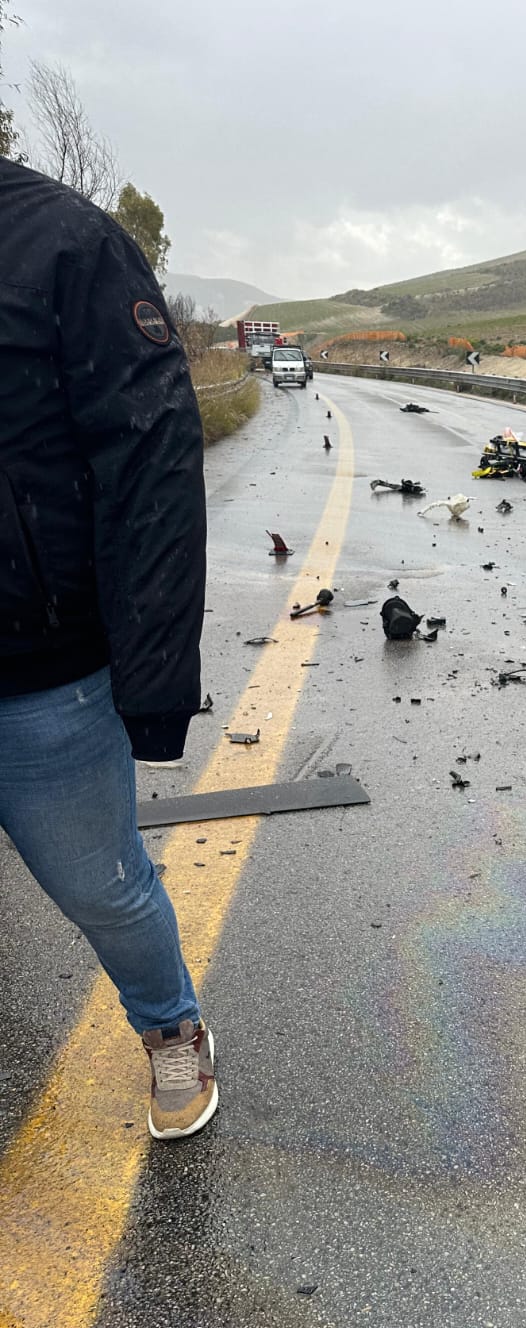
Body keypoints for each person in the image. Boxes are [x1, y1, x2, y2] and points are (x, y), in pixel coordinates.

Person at [0, 156, 215, 1140]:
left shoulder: (64, 243)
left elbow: (152, 459)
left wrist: (154, 677)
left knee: (103, 883)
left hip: (43, 676)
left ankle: (172, 1027)